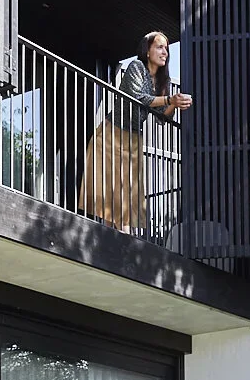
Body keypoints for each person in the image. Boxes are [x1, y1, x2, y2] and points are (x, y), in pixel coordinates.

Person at [79, 31, 192, 234]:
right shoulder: (136, 67)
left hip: (132, 137)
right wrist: (169, 100)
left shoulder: (161, 82)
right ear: (147, 51)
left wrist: (176, 104)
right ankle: (120, 240)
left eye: (166, 48)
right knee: (111, 197)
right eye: (159, 47)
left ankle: (120, 241)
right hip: (112, 133)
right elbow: (138, 97)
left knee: (125, 194)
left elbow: (161, 118)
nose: (165, 52)